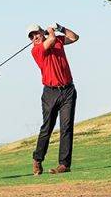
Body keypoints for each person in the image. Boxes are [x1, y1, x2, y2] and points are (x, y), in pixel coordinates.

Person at [28, 23, 79, 175]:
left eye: (36, 33)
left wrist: (60, 28)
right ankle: (37, 160)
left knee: (67, 127)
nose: (34, 37)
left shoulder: (57, 40)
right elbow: (49, 40)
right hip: (50, 93)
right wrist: (51, 32)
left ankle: (64, 165)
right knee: (47, 127)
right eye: (31, 36)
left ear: (41, 32)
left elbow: (74, 38)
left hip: (68, 90)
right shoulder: (36, 50)